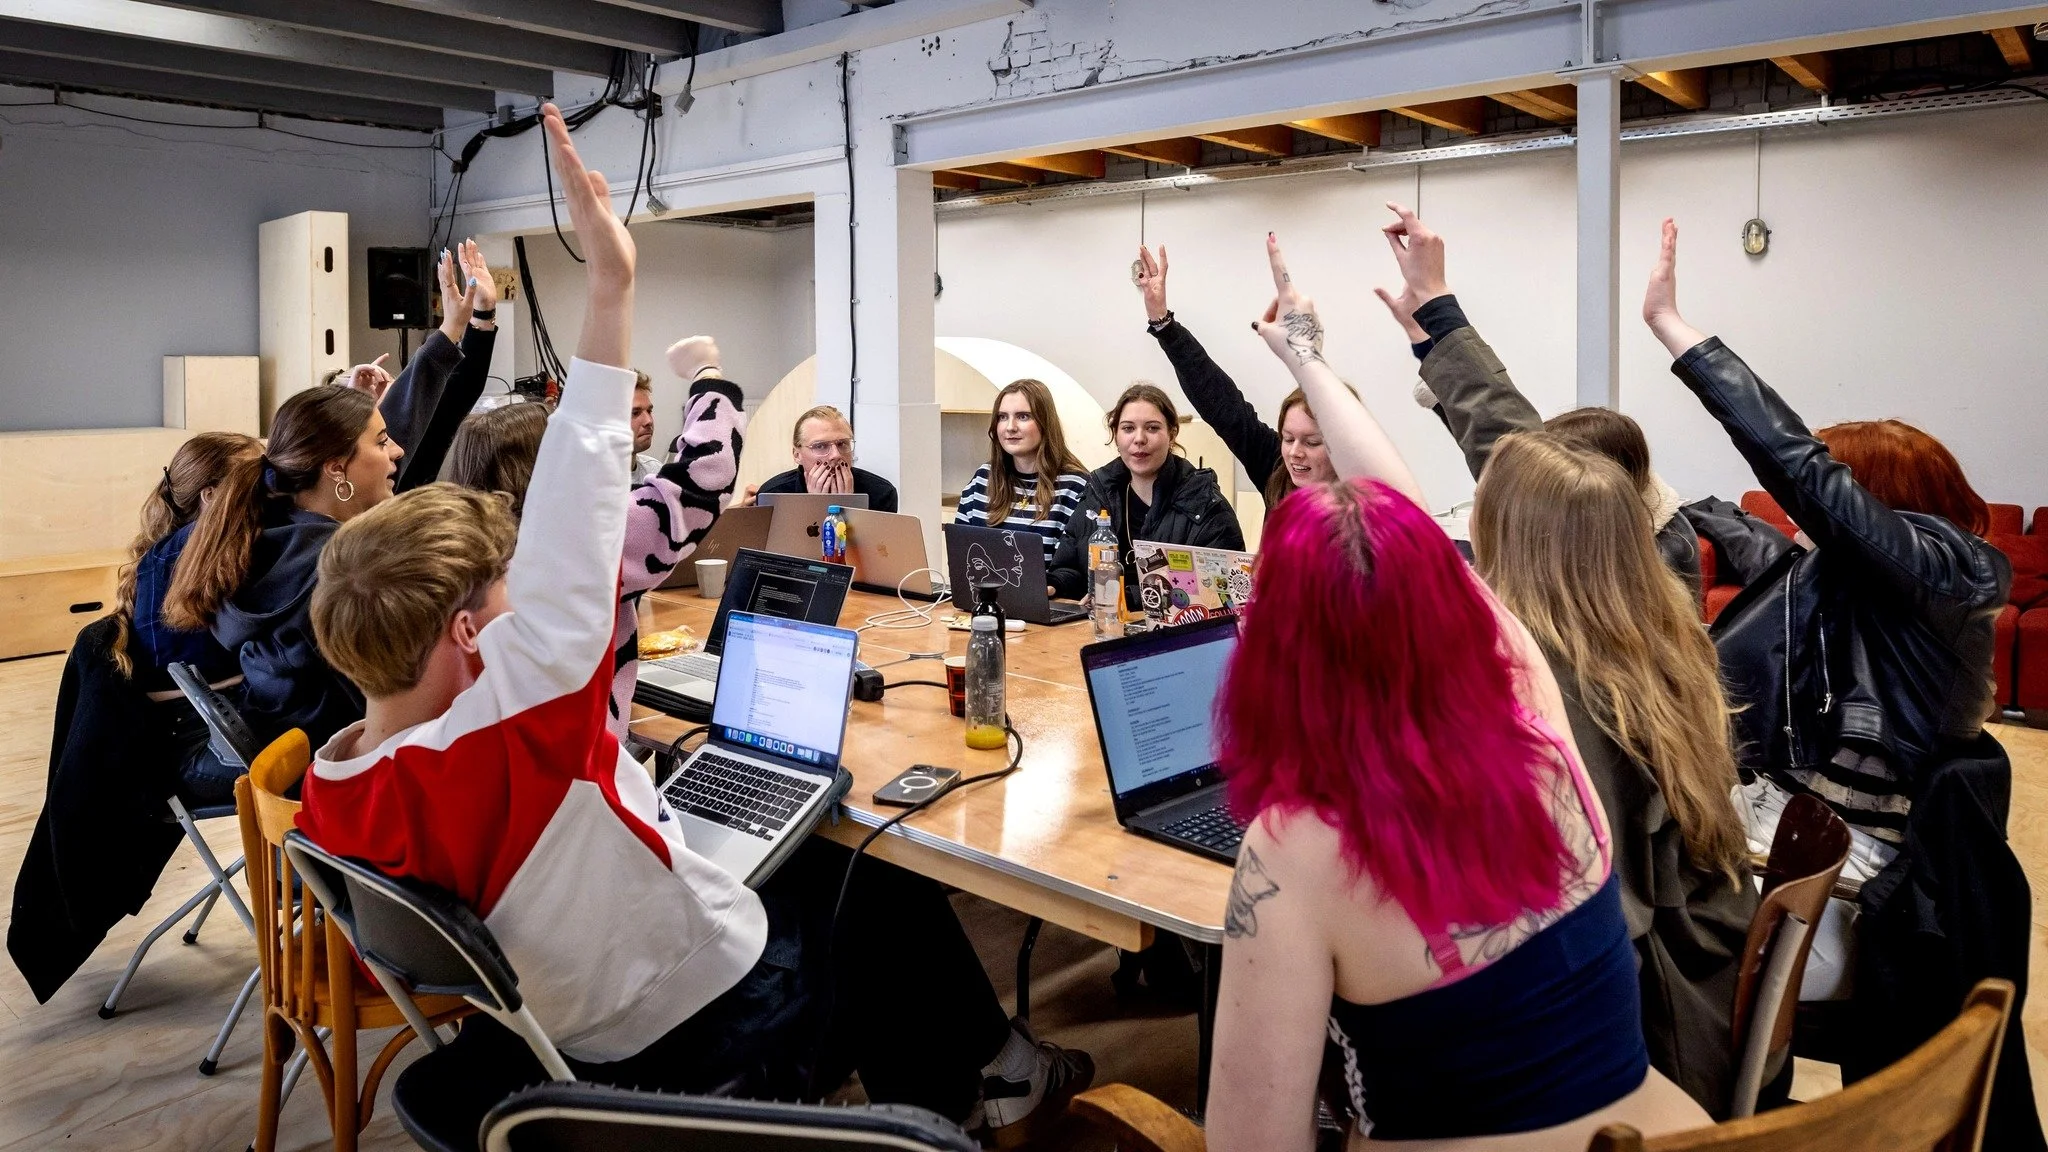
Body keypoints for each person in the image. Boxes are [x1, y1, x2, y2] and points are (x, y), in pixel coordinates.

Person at [296, 103, 1090, 1148]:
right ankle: (953, 1102)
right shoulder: (518, 724)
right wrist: (611, 287)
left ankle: (974, 1080)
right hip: (682, 1024)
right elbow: (579, 491)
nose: (523, 593)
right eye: (502, 589)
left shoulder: (337, 783)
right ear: (468, 636)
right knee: (872, 871)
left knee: (820, 850)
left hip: (556, 1024)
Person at [1203, 234, 1710, 1151]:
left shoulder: (1292, 849)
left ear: (1273, 651)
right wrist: (1308, 356)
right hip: (1671, 1130)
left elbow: (1250, 1144)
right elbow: (1393, 503)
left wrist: (1308, 354)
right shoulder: (1529, 698)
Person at [1639, 218, 2009, 870]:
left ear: (1871, 505)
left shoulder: (1939, 575)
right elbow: (1750, 536)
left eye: (1835, 502)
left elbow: (1799, 467)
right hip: (1792, 812)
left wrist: (1673, 329)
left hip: (1838, 851)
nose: (1798, 514)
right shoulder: (1862, 582)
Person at [160, 243, 500, 779]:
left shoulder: (269, 531)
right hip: (335, 774)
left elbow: (396, 426)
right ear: (336, 468)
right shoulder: (332, 565)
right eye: (382, 443)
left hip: (284, 756)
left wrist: (452, 332)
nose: (397, 452)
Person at [1369, 204, 1702, 595]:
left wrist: (1436, 300)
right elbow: (1491, 435)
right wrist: (1426, 333)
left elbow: (1497, 429)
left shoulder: (1591, 574)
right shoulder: (1617, 561)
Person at [448, 333, 747, 740]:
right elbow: (703, 476)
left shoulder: (456, 550)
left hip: (500, 753)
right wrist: (707, 375)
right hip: (578, 761)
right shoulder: (575, 549)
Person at [1133, 245, 1342, 512]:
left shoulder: (1362, 503)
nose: (1295, 453)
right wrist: (1163, 324)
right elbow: (1220, 402)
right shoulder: (1276, 467)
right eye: (1288, 439)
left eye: (1312, 442)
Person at [1047, 383, 1243, 603]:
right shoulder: (1098, 492)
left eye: (1152, 428)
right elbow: (1070, 567)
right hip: (1101, 628)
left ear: (1172, 433)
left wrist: (1128, 597)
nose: (1139, 439)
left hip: (1175, 634)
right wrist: (1055, 584)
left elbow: (1219, 587)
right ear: (1116, 434)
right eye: (1128, 428)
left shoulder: (1204, 502)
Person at [954, 378, 1091, 568]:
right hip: (983, 596)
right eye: (1002, 417)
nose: (1010, 427)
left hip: (1046, 597)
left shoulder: (1076, 486)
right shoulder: (982, 479)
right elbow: (961, 558)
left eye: (1023, 416)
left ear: (1045, 423)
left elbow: (1071, 572)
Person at [745, 405, 899, 513]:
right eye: (820, 446)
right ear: (797, 455)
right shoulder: (775, 494)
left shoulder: (881, 493)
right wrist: (815, 508)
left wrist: (848, 508)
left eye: (842, 444)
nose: (836, 455)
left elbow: (877, 555)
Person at [630, 370, 661, 482]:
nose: (649, 421)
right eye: (635, 413)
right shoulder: (589, 482)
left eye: (649, 411)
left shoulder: (655, 472)